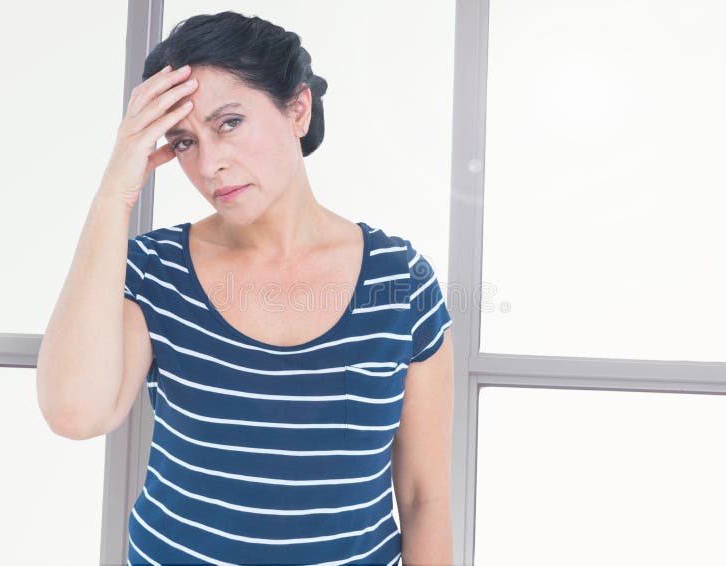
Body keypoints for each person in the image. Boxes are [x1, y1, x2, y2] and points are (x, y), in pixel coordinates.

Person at [37, 10, 454, 565]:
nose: (210, 164)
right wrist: (115, 190)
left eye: (229, 123)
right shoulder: (156, 270)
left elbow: (425, 498)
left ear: (297, 109)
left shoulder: (398, 281)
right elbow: (75, 414)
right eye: (184, 142)